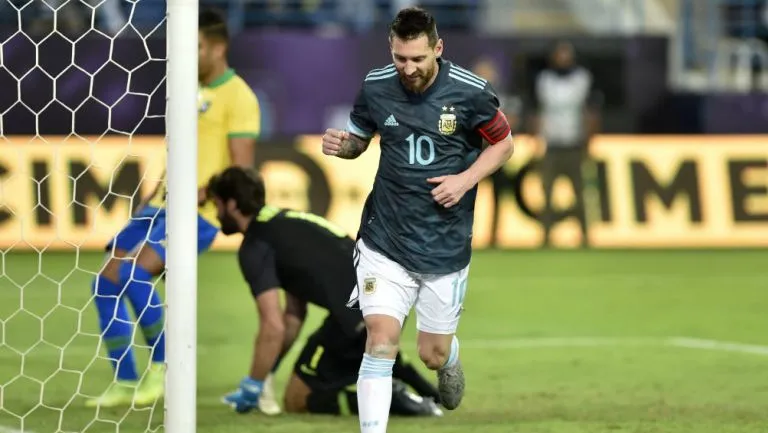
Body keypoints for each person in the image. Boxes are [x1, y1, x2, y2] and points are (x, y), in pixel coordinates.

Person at [321, 7, 514, 433]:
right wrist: (344, 145)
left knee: (431, 353)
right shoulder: (375, 86)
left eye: (418, 59)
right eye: (400, 59)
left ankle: (450, 357)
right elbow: (360, 141)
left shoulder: (471, 92)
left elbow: (504, 145)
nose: (408, 69)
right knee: (380, 340)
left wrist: (465, 180)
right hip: (383, 239)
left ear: (438, 49)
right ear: (391, 50)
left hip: (443, 244)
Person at [86, 8, 261, 408]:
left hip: (198, 213)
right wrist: (153, 197)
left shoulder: (240, 96)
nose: (188, 55)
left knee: (133, 274)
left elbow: (241, 169)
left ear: (218, 48)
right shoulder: (188, 91)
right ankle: (126, 381)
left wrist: (201, 193)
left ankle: (165, 371)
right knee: (105, 281)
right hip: (162, 205)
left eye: (195, 46)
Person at [207, 167, 443, 418]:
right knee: (365, 340)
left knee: (297, 399)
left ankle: (393, 397)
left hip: (360, 312)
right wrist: (267, 373)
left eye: (217, 205)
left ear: (232, 204)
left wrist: (253, 384)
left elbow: (272, 327)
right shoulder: (285, 222)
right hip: (388, 295)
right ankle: (428, 393)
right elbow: (293, 316)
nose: (216, 213)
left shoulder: (255, 246)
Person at [531, 40, 601, 248]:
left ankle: (585, 236)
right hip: (552, 143)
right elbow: (538, 111)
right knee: (547, 193)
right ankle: (545, 236)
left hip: (574, 143)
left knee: (580, 193)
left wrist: (589, 140)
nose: (563, 59)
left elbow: (590, 112)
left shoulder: (582, 79)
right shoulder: (544, 79)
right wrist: (536, 137)